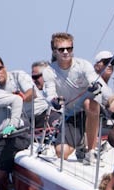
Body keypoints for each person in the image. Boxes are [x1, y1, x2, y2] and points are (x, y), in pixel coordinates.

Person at [42, 32, 102, 164]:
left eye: (69, 48)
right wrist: (55, 101)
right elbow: (50, 93)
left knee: (88, 103)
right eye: (61, 49)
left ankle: (91, 152)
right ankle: (81, 144)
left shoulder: (83, 65)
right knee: (61, 152)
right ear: (54, 51)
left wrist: (95, 85)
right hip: (72, 115)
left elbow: (94, 80)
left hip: (92, 111)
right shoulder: (49, 71)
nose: (65, 52)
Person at [0, 54, 35, 124]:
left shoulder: (18, 75)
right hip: (25, 123)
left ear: (4, 67)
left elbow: (33, 93)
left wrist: (22, 98)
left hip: (41, 115)